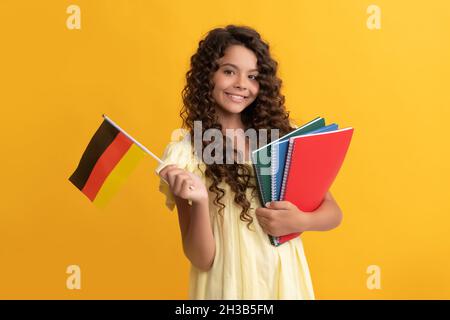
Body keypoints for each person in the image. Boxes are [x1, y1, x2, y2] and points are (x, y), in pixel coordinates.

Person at [156, 25, 343, 299]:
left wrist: (300, 220)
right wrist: (199, 202)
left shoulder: (282, 137)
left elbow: (333, 214)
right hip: (225, 285)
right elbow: (201, 259)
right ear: (207, 75)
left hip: (283, 282)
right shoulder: (189, 152)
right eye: (229, 71)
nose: (242, 84)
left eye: (253, 76)